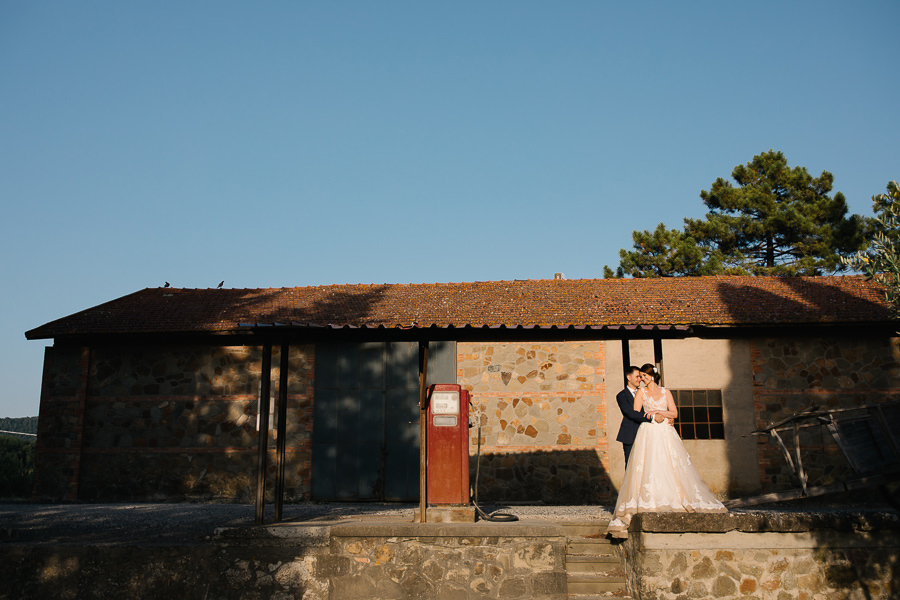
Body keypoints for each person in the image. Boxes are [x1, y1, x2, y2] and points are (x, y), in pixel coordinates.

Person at [606, 363, 726, 538]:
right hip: (648, 431)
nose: (641, 379)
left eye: (644, 376)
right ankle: (645, 500)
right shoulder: (637, 393)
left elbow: (674, 412)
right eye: (639, 376)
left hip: (664, 432)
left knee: (670, 463)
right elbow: (634, 412)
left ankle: (673, 498)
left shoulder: (665, 392)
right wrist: (654, 416)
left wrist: (662, 413)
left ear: (652, 376)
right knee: (646, 466)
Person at [614, 366, 645, 466]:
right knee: (631, 464)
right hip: (630, 434)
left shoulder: (644, 392)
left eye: (640, 377)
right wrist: (651, 418)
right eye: (637, 376)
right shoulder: (621, 395)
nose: (639, 379)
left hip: (646, 432)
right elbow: (630, 413)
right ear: (628, 377)